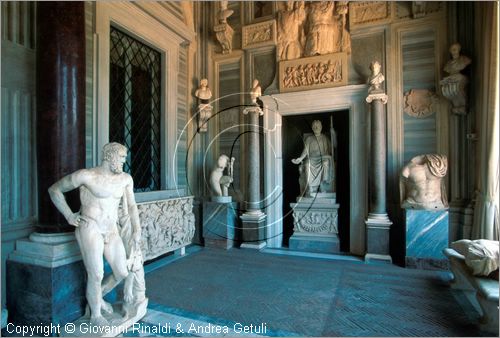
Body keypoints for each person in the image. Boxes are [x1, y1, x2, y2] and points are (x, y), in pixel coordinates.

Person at [48, 142, 143, 326]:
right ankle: (95, 316)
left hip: (111, 230)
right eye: (122, 157)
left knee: (122, 272)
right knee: (96, 273)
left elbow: (131, 206)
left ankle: (97, 299)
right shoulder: (86, 176)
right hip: (90, 227)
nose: (125, 160)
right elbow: (54, 190)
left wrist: (137, 229)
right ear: (110, 156)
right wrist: (68, 215)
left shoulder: (125, 179)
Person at [292, 120, 334, 196]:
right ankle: (310, 187)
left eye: (318, 126)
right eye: (314, 126)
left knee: (325, 163)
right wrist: (300, 159)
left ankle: (322, 185)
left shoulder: (325, 138)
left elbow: (332, 149)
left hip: (322, 158)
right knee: (307, 164)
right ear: (312, 128)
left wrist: (333, 134)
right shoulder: (309, 139)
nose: (316, 127)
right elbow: (305, 152)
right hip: (311, 158)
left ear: (321, 127)